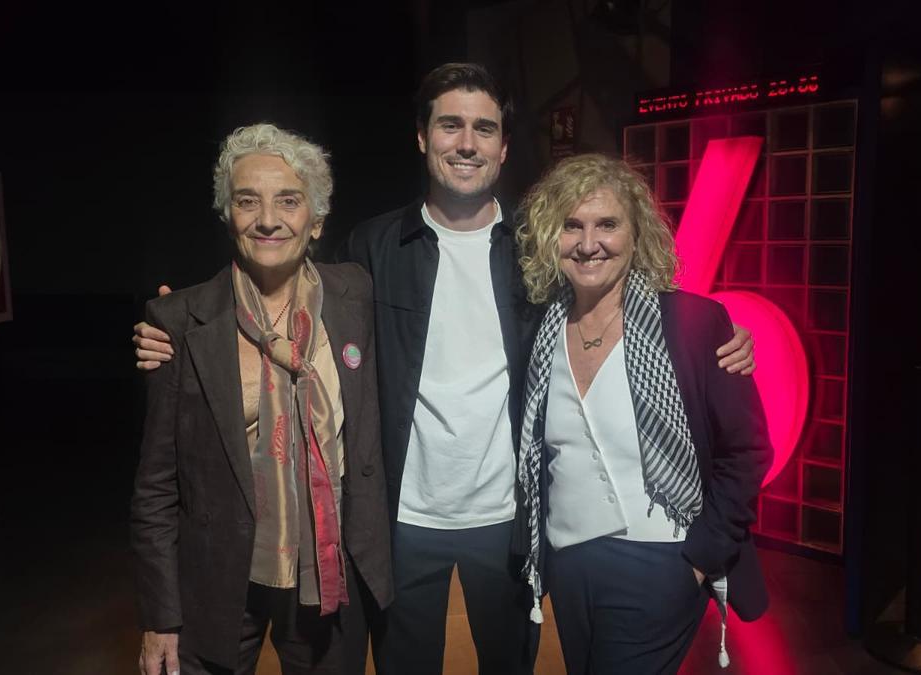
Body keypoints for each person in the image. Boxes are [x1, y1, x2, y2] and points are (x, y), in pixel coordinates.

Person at [133, 63, 756, 675]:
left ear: (504, 147)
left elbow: (614, 292)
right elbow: (288, 284)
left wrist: (718, 337)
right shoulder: (369, 250)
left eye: (483, 129)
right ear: (422, 137)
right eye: (450, 125)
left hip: (510, 521)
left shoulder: (536, 250)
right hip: (401, 521)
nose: (466, 142)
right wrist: (182, 326)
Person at [131, 123, 391, 675]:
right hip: (218, 576)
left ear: (316, 220)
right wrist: (160, 616)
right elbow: (155, 486)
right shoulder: (179, 321)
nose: (268, 219)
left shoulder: (357, 296)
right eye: (248, 201)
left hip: (327, 566)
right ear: (229, 217)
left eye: (288, 201)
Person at [514, 153, 773, 675]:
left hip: (664, 562)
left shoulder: (694, 323)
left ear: (637, 234)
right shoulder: (536, 331)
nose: (589, 244)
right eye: (572, 226)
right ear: (550, 237)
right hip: (568, 563)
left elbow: (747, 450)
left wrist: (700, 560)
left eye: (607, 224)